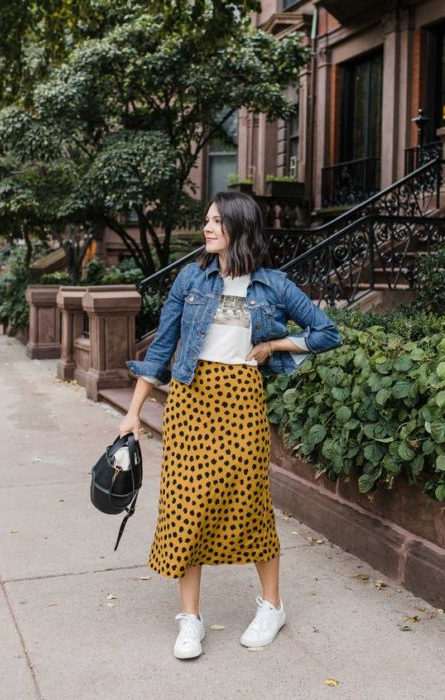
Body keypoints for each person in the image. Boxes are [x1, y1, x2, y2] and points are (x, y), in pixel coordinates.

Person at [119, 191, 342, 660]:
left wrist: (275, 345)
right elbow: (161, 350)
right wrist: (132, 412)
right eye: (206, 220)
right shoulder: (190, 278)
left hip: (241, 403)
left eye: (217, 221)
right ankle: (190, 619)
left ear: (239, 226)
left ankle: (271, 606)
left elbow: (327, 333)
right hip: (190, 401)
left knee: (250, 503)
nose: (207, 228)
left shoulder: (273, 286)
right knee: (186, 504)